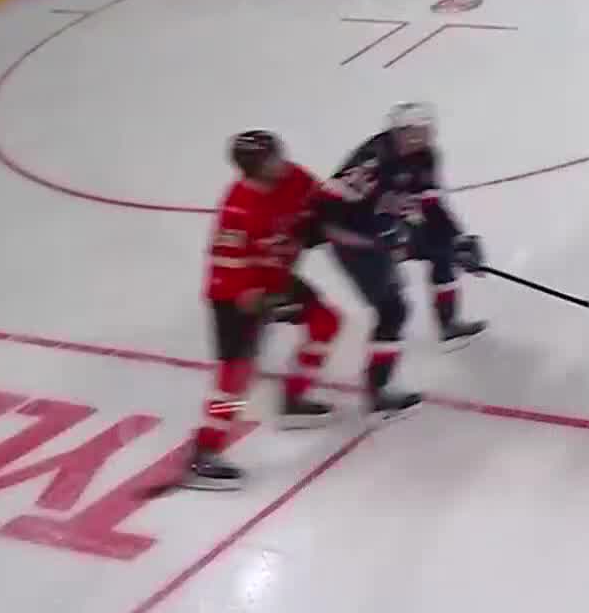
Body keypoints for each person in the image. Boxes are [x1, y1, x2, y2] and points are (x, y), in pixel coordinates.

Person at [191, 131, 346, 490]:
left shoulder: (293, 177)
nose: (282, 163)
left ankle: (293, 398)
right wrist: (264, 301)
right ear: (253, 169)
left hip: (274, 280)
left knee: (326, 322)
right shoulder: (238, 207)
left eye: (279, 155)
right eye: (271, 160)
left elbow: (325, 202)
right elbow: (230, 270)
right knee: (234, 379)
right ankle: (204, 452)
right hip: (234, 295)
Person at [316, 103, 487, 418]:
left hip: (390, 228)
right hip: (354, 243)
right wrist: (381, 239)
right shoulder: (370, 162)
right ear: (402, 133)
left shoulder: (425, 155)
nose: (427, 136)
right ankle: (377, 394)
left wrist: (458, 239)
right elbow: (329, 214)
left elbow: (431, 205)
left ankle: (448, 326)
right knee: (393, 310)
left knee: (443, 251)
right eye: (419, 131)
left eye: (428, 129)